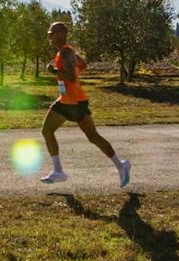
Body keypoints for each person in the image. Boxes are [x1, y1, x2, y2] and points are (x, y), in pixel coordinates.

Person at [39, 21, 130, 186]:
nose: (50, 37)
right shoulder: (66, 52)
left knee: (91, 136)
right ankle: (59, 171)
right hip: (68, 100)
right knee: (49, 130)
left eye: (52, 34)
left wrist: (55, 72)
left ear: (61, 34)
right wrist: (66, 72)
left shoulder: (66, 53)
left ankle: (121, 165)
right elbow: (82, 65)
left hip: (74, 102)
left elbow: (71, 77)